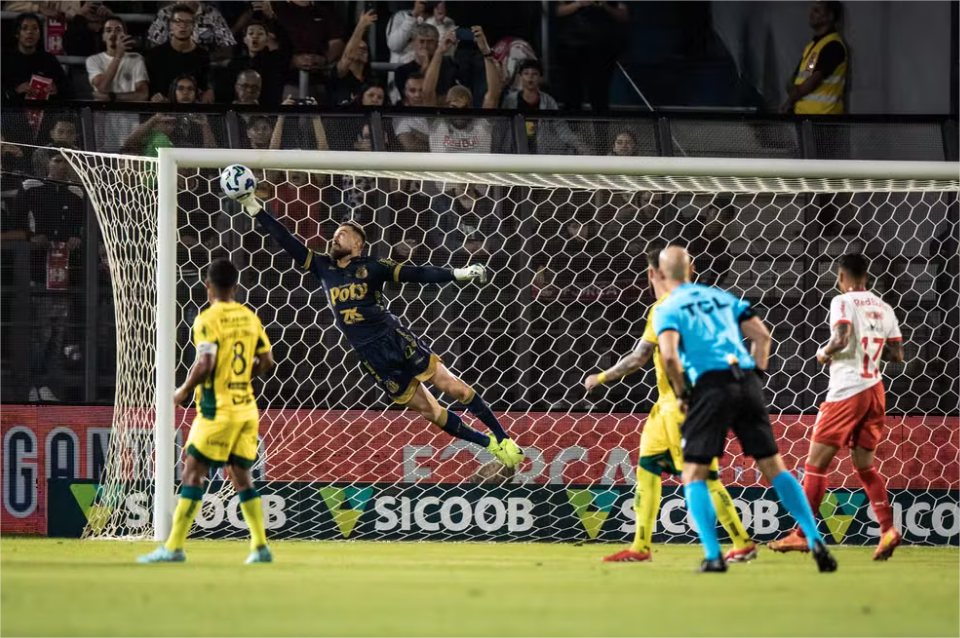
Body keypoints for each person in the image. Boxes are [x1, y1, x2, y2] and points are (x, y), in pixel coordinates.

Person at [236, 193, 525, 474]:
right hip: (372, 357)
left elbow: (418, 273)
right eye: (335, 232)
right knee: (431, 412)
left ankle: (502, 437)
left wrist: (457, 274)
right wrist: (254, 207)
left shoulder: (372, 267)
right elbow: (285, 239)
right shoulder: (322, 267)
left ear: (358, 245)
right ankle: (489, 444)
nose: (336, 236)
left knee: (456, 389)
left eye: (344, 233)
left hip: (395, 339)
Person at [652, 245, 837, 573]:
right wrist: (757, 375)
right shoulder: (723, 299)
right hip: (746, 381)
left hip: (710, 386)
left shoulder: (669, 307)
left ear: (662, 275)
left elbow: (668, 357)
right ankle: (814, 538)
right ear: (692, 269)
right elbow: (763, 337)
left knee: (693, 472)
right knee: (774, 466)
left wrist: (683, 394)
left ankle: (713, 556)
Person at [584, 245, 756, 563]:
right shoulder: (702, 306)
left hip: (683, 405)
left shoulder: (665, 308)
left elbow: (640, 357)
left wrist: (602, 376)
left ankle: (741, 541)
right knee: (647, 469)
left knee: (703, 476)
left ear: (653, 274)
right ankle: (640, 547)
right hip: (664, 408)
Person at [139, 259, 275, 564]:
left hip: (218, 411)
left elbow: (206, 363)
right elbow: (267, 362)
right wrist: (241, 376)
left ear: (208, 286)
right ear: (236, 287)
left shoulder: (207, 319)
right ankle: (259, 546)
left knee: (192, 472)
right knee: (241, 475)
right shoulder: (249, 317)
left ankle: (173, 548)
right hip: (247, 409)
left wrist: (183, 391)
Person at [769, 254, 904, 560]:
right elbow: (897, 355)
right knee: (865, 467)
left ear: (841, 278)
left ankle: (802, 535)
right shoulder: (885, 308)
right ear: (867, 276)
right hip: (875, 391)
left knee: (816, 466)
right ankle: (887, 530)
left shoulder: (842, 302)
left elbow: (840, 338)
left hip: (847, 390)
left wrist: (822, 353)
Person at [18, 152, 85, 403]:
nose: (61, 165)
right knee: (39, 331)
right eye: (56, 160)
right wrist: (30, 237)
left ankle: (47, 383)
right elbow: (17, 223)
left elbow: (81, 226)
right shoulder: (30, 187)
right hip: (36, 271)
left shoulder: (76, 193)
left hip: (65, 273)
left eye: (66, 161)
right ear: (46, 163)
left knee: (58, 331)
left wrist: (77, 238)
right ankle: (32, 385)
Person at [85, 16, 149, 150]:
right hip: (104, 128)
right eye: (108, 30)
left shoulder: (136, 59)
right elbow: (102, 87)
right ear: (103, 36)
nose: (113, 34)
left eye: (118, 30)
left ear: (125, 35)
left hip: (131, 128)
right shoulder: (93, 60)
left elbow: (143, 94)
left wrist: (112, 97)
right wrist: (118, 56)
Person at [554, 1, 629, 112]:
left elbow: (623, 15)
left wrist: (605, 6)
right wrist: (579, 3)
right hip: (571, 46)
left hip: (602, 49)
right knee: (572, 95)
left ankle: (601, 129)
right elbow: (558, 11)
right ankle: (571, 128)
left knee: (599, 95)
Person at [501, 59, 585, 155]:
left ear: (540, 78)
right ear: (520, 77)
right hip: (513, 151)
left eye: (534, 74)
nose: (530, 77)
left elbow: (561, 127)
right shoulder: (510, 100)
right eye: (526, 73)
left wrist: (579, 145)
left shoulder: (548, 101)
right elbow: (502, 128)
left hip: (541, 152)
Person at [782, 1, 847, 114]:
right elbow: (803, 76)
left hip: (824, 119)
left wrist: (792, 94)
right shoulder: (813, 46)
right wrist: (790, 100)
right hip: (806, 117)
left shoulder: (833, 46)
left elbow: (811, 83)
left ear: (830, 16)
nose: (811, 14)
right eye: (812, 10)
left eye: (817, 11)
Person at [272, 0, 345, 101]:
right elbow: (270, 40)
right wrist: (292, 60)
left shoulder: (324, 11)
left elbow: (337, 41)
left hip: (319, 79)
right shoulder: (278, 9)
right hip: (286, 79)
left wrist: (324, 59)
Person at [145, 3, 213, 103]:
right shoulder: (155, 55)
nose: (183, 25)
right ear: (170, 25)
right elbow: (150, 89)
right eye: (178, 21)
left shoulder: (203, 56)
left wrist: (208, 91)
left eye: (188, 22)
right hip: (162, 110)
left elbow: (205, 87)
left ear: (193, 26)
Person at [1, 13, 69, 103]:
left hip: (46, 112)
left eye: (35, 28)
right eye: (24, 28)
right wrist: (15, 91)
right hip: (12, 113)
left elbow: (67, 89)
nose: (30, 32)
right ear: (17, 34)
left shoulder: (49, 60)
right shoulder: (4, 60)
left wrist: (56, 89)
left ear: (40, 34)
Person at [223, 19, 286, 106]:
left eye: (260, 34)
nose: (255, 36)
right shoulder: (235, 63)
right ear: (245, 39)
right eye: (251, 33)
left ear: (267, 39)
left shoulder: (274, 61)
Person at [393, 23, 457, 104]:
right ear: (413, 43)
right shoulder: (401, 71)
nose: (425, 46)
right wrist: (424, 67)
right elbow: (410, 100)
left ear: (437, 44)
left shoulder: (448, 67)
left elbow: (442, 95)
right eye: (421, 41)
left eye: (430, 41)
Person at [146, 0, 235, 57]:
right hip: (171, 63)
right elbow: (154, 47)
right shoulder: (165, 14)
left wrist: (208, 59)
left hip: (204, 64)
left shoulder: (213, 15)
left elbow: (227, 47)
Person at [328, 9, 376, 107]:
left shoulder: (371, 80)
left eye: (365, 49)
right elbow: (347, 57)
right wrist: (361, 26)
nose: (362, 50)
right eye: (358, 48)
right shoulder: (340, 74)